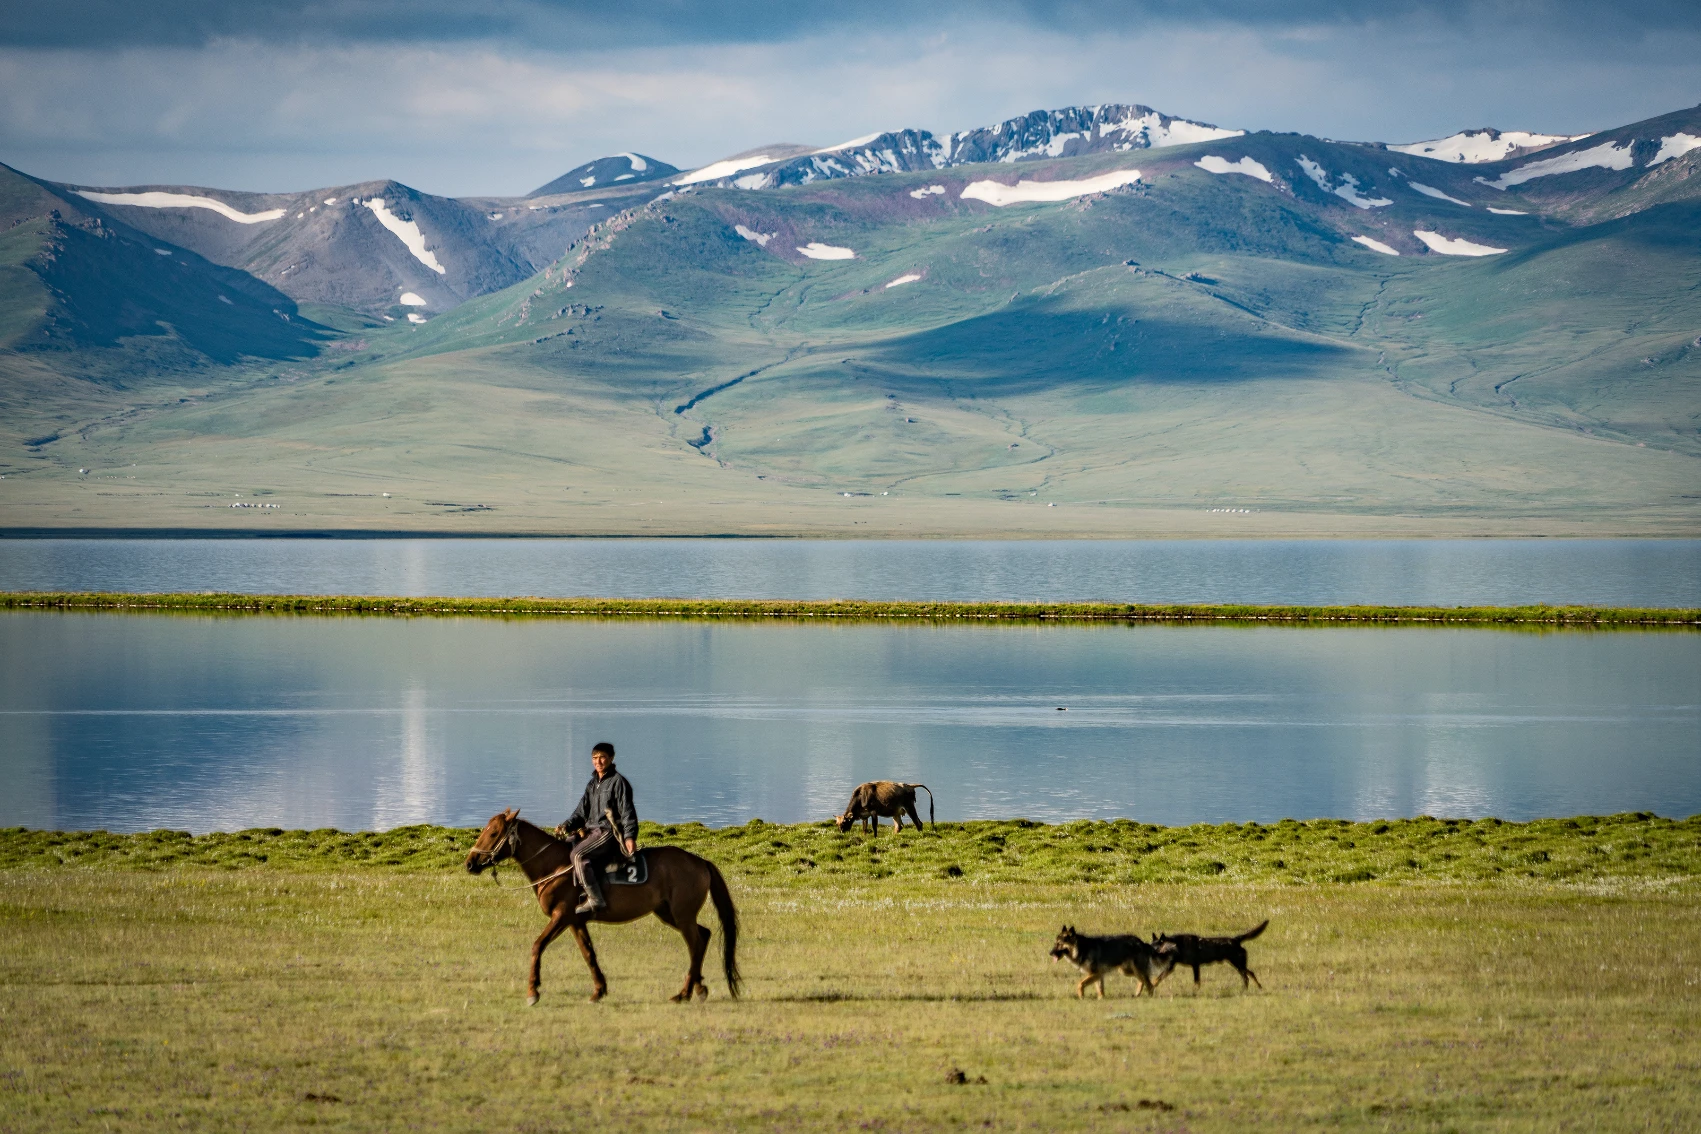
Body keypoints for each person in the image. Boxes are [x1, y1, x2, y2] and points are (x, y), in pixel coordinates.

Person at [557, 741, 638, 914]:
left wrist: (629, 837)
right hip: (591, 831)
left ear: (611, 758)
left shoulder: (618, 782)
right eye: (595, 758)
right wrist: (566, 825)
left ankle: (595, 899)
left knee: (578, 855)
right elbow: (580, 812)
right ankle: (575, 892)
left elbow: (627, 812)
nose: (598, 761)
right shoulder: (592, 784)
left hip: (608, 832)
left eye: (602, 757)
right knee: (563, 847)